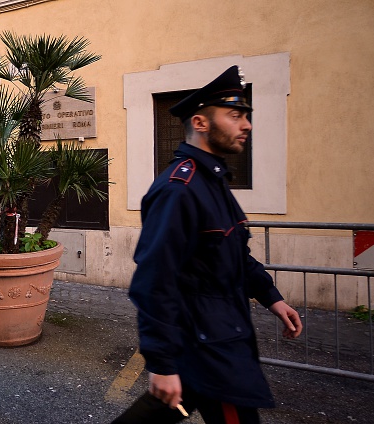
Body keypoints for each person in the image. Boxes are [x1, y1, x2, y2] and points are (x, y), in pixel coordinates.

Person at [112, 66, 303, 424]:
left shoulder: (212, 181)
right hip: (210, 345)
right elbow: (154, 280)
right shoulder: (178, 190)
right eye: (235, 115)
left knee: (162, 409)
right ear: (200, 123)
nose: (246, 124)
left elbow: (235, 254)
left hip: (218, 337)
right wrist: (162, 363)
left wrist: (272, 298)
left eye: (246, 115)